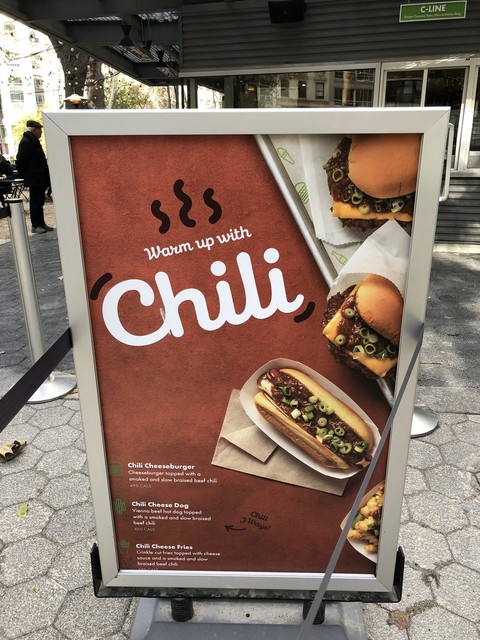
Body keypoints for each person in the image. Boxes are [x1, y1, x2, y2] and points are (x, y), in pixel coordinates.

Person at [15, 119, 53, 234]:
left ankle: (41, 223)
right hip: (34, 177)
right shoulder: (26, 142)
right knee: (35, 202)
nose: (41, 132)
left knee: (40, 202)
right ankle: (36, 225)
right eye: (39, 130)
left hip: (39, 177)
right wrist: (25, 175)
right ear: (34, 130)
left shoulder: (34, 141)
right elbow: (20, 160)